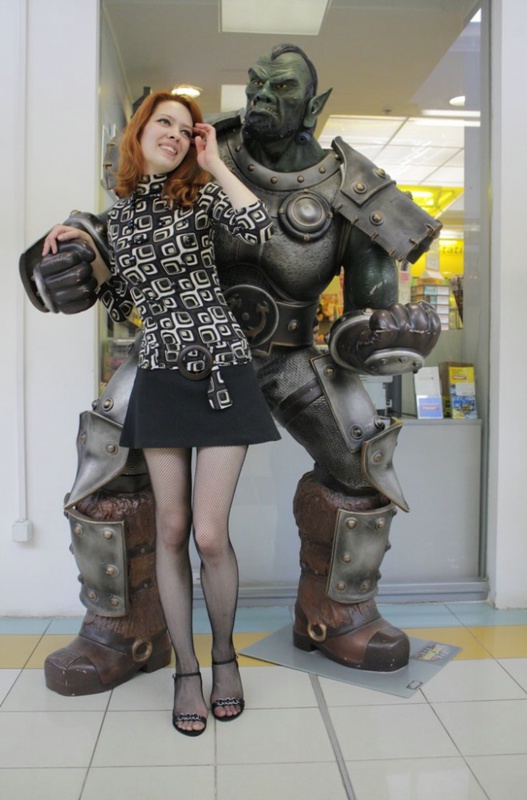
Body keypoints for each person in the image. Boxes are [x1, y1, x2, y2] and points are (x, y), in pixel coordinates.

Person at [21, 44, 441, 694]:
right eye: (256, 83)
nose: (262, 96)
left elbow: (367, 309)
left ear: (315, 104)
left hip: (286, 357)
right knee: (107, 452)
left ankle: (337, 611)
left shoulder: (352, 188)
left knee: (360, 459)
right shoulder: (191, 153)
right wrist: (72, 254)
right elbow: (120, 236)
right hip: (171, 356)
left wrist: (387, 331)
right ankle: (122, 626)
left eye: (282, 87)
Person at [42, 90, 280, 736]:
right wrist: (81, 247)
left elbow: (260, 229)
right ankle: (186, 672)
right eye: (163, 122)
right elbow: (123, 304)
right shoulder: (117, 218)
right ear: (139, 132)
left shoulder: (199, 195)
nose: (174, 133)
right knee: (171, 530)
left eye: (185, 127)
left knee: (210, 535)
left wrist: (215, 163)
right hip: (161, 374)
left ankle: (224, 658)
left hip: (222, 368)